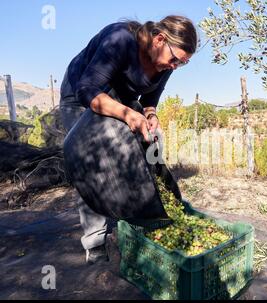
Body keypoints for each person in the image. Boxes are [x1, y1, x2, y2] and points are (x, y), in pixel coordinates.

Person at [59, 15, 198, 264]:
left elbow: (150, 101)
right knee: (94, 163)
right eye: (175, 59)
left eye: (183, 63)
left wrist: (151, 115)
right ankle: (96, 241)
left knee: (153, 140)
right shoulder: (120, 39)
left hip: (117, 97)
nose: (176, 66)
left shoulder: (165, 64)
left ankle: (143, 216)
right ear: (159, 39)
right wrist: (126, 113)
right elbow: (87, 90)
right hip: (81, 96)